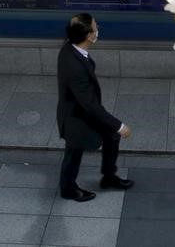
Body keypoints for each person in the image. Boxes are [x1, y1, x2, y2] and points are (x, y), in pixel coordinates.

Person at [57, 14, 133, 202]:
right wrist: (119, 125)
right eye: (94, 26)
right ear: (89, 36)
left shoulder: (71, 49)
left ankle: (108, 177)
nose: (97, 26)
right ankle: (68, 188)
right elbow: (89, 104)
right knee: (73, 154)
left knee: (111, 137)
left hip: (82, 110)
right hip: (76, 117)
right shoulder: (74, 66)